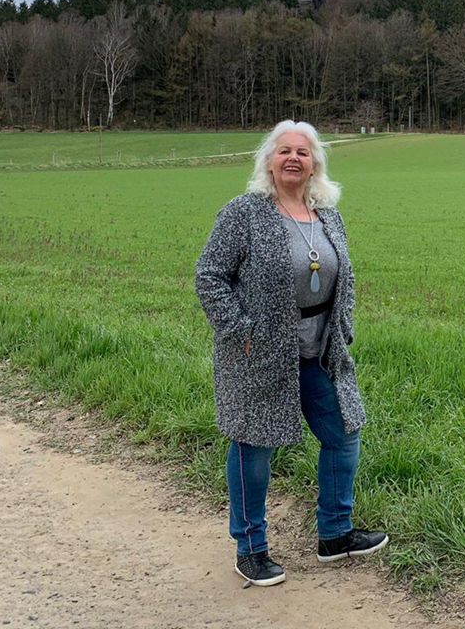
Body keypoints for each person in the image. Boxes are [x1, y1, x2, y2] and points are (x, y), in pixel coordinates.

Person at [195, 120, 387, 587]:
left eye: (303, 151)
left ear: (315, 163)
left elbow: (347, 276)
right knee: (254, 448)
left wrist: (342, 325)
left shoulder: (328, 216)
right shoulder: (243, 213)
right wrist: (239, 329)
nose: (293, 158)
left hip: (321, 350)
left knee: (343, 432)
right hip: (258, 353)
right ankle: (251, 549)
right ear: (269, 160)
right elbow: (209, 276)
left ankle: (335, 535)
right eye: (284, 151)